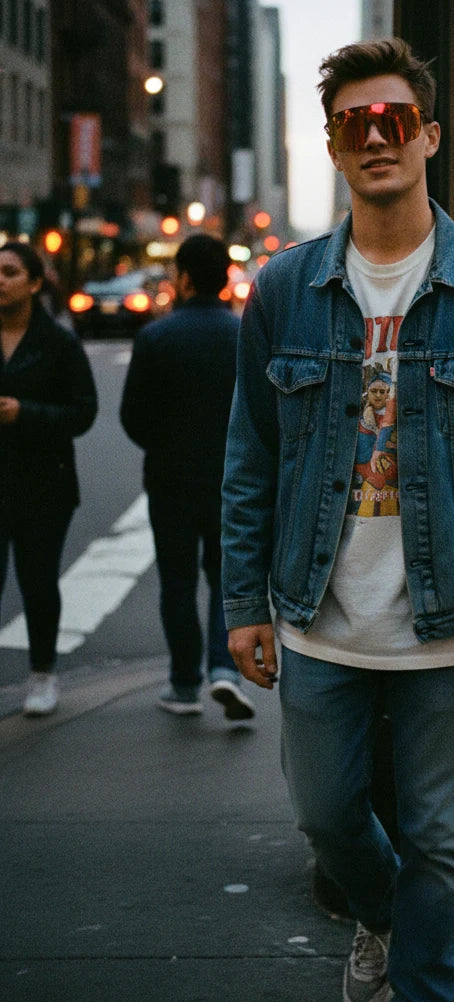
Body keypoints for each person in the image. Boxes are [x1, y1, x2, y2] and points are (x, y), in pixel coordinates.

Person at [221, 38, 454, 1002]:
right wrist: (242, 605)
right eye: (354, 123)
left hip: (445, 625)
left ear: (427, 136)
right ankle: (376, 915)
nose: (376, 137)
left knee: (444, 845)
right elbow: (248, 459)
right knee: (327, 819)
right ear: (331, 143)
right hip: (318, 616)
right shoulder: (285, 286)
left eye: (394, 120)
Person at [120, 234, 253, 720]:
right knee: (225, 576)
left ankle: (182, 683)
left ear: (184, 277)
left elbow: (133, 416)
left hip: (170, 477)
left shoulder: (156, 337)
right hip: (231, 479)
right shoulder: (243, 334)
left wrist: (164, 445)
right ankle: (225, 668)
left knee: (176, 580)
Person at [0, 241, 97, 716]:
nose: (0, 280)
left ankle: (42, 674)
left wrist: (25, 413)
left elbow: (84, 413)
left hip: (44, 483)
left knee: (38, 581)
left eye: (10, 272)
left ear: (35, 284)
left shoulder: (58, 343)